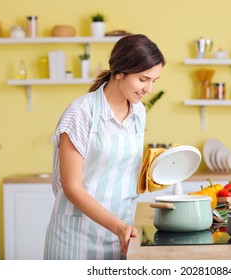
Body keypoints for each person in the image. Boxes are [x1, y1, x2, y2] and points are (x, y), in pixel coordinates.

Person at [44, 34, 165, 260]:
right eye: (143, 79)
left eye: (154, 80)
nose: (149, 88)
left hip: (121, 235)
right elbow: (72, 188)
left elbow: (122, 171)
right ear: (119, 72)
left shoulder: (138, 112)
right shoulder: (81, 112)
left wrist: (160, 169)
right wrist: (117, 227)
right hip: (75, 240)